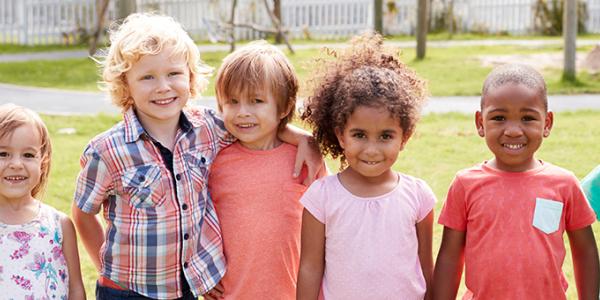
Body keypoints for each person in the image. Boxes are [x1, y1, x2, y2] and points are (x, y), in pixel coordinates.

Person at [72, 13, 322, 300]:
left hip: (186, 289)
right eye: (147, 77)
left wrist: (302, 138)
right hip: (127, 291)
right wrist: (105, 267)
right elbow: (82, 213)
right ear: (125, 84)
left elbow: (254, 125)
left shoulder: (207, 128)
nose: (163, 86)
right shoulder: (106, 151)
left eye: (174, 74)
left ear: (190, 76)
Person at [433, 64, 600, 300]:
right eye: (499, 118)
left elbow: (585, 251)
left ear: (547, 123)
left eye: (527, 118)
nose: (512, 130)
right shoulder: (465, 184)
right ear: (480, 123)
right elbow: (449, 257)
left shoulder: (564, 184)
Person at [296, 33, 436, 300]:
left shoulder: (419, 196)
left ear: (403, 138)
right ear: (340, 135)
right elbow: (310, 268)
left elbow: (426, 267)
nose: (371, 150)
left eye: (385, 136)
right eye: (359, 135)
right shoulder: (321, 198)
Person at [208, 41, 325, 299]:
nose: (242, 113)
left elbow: (327, 230)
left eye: (256, 101)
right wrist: (202, 274)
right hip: (233, 293)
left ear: (284, 107)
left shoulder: (305, 158)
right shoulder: (213, 160)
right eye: (232, 101)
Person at [0, 104, 85, 299]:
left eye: (28, 155)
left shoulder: (59, 225)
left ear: (43, 162)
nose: (16, 164)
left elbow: (76, 289)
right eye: (3, 154)